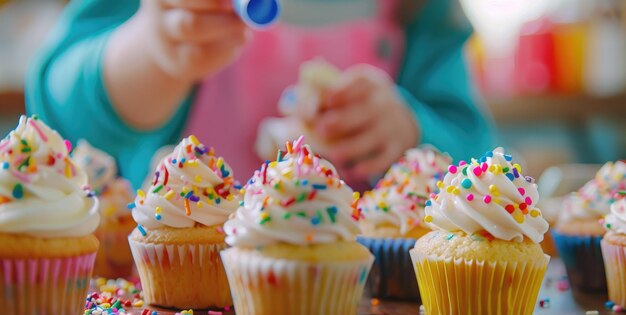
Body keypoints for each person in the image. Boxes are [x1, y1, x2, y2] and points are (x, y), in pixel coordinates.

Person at [26, 0, 495, 189]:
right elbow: (55, 107)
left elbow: (475, 147)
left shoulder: (425, 11)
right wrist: (151, 54)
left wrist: (410, 131)